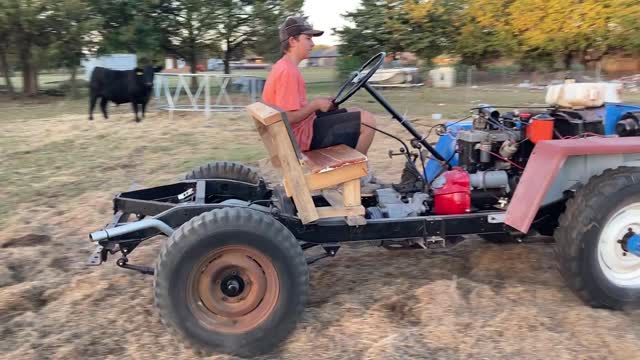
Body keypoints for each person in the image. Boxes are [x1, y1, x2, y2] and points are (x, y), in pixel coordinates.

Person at [262, 16, 377, 159]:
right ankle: (358, 174)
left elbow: (293, 111)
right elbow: (289, 117)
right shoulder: (287, 71)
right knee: (368, 122)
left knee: (357, 111)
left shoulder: (285, 66)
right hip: (301, 139)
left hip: (300, 132)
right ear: (292, 41)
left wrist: (319, 105)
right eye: (308, 38)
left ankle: (357, 170)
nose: (312, 44)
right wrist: (315, 104)